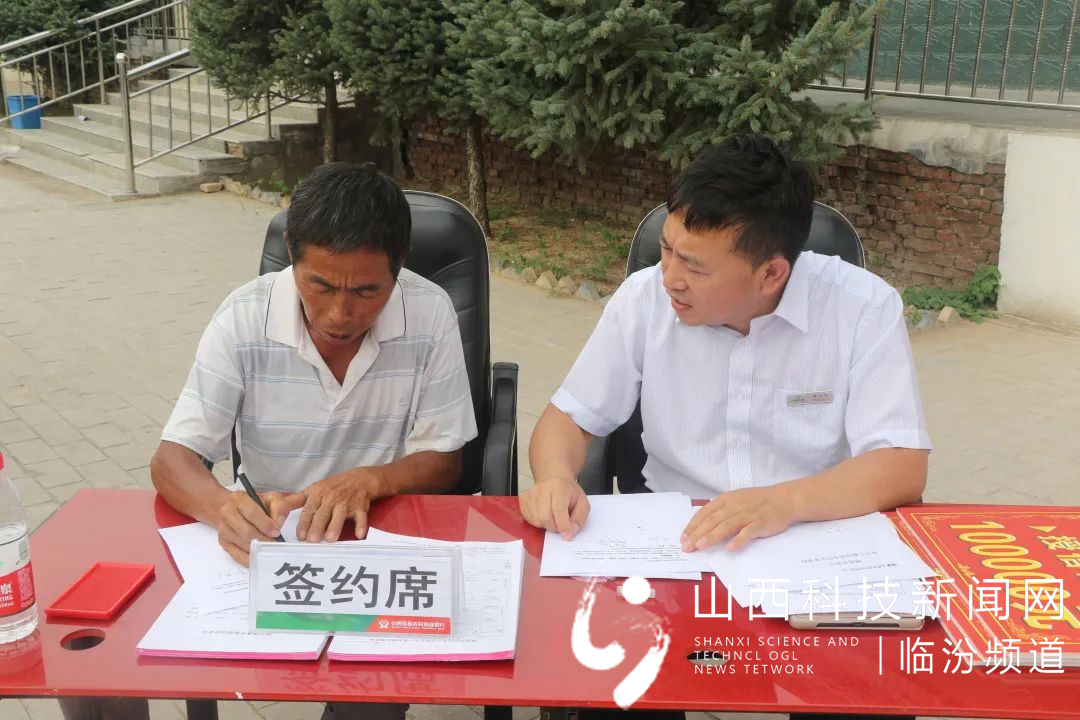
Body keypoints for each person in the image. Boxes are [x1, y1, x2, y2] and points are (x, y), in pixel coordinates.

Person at [520, 134, 929, 720]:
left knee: (866, 697)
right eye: (666, 250)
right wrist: (556, 477)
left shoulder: (861, 307)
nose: (670, 277)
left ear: (771, 274)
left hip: (811, 543)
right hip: (676, 551)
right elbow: (566, 420)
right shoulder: (644, 300)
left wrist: (782, 502)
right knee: (615, 691)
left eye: (693, 266)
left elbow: (901, 464)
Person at [147, 161, 476, 720]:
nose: (339, 313)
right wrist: (223, 509)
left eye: (367, 291)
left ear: (399, 267)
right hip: (273, 539)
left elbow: (445, 459)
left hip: (380, 535)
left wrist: (371, 480)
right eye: (319, 285)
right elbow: (172, 458)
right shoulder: (243, 317)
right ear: (292, 256)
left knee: (371, 700)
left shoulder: (429, 312)